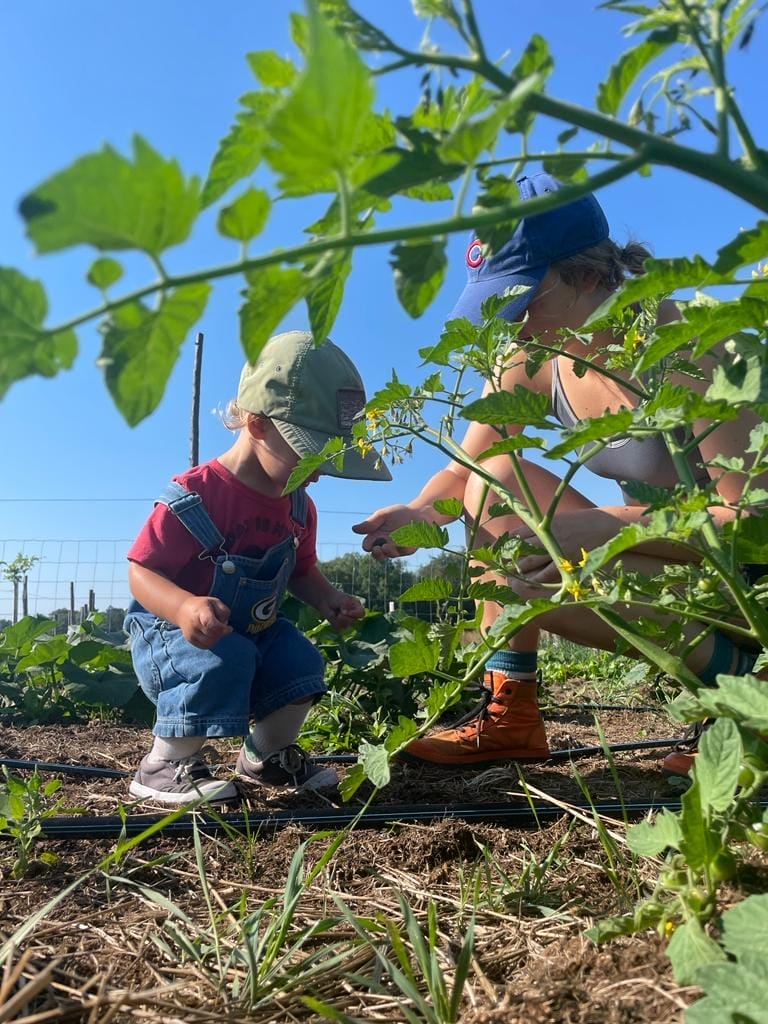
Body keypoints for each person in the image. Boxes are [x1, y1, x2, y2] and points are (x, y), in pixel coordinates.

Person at [353, 171, 764, 777]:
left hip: (747, 587)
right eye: (499, 302)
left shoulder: (686, 347)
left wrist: (602, 526)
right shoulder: (533, 354)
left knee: (544, 563)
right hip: (676, 569)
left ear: (594, 276)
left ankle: (747, 697)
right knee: (496, 483)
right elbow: (465, 470)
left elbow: (753, 524)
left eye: (525, 299)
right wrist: (418, 512)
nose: (512, 322)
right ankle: (509, 713)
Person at [124, 330, 391, 805]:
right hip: (173, 632)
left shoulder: (298, 509)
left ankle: (266, 754)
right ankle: (164, 763)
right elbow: (141, 572)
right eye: (308, 455)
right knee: (227, 658)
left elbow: (302, 570)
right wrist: (184, 608)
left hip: (254, 627)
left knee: (301, 663)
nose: (315, 474)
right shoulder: (194, 498)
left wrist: (329, 598)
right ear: (256, 423)